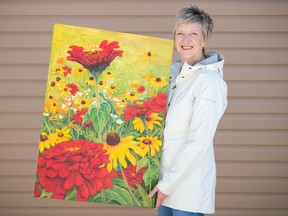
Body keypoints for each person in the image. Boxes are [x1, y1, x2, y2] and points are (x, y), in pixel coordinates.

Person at [148, 5, 228, 216]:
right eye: (180, 34)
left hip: (188, 191)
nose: (185, 40)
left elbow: (198, 141)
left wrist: (167, 185)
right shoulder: (174, 76)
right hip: (163, 184)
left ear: (205, 40)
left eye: (193, 34)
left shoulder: (209, 82)